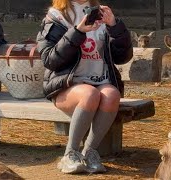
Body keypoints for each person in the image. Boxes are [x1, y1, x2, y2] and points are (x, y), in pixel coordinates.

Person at [36, 0, 133, 174]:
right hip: (66, 85)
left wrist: (115, 26)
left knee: (112, 95)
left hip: (100, 80)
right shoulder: (55, 17)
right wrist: (78, 32)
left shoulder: (101, 13)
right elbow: (50, 59)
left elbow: (122, 57)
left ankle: (90, 152)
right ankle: (70, 153)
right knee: (90, 94)